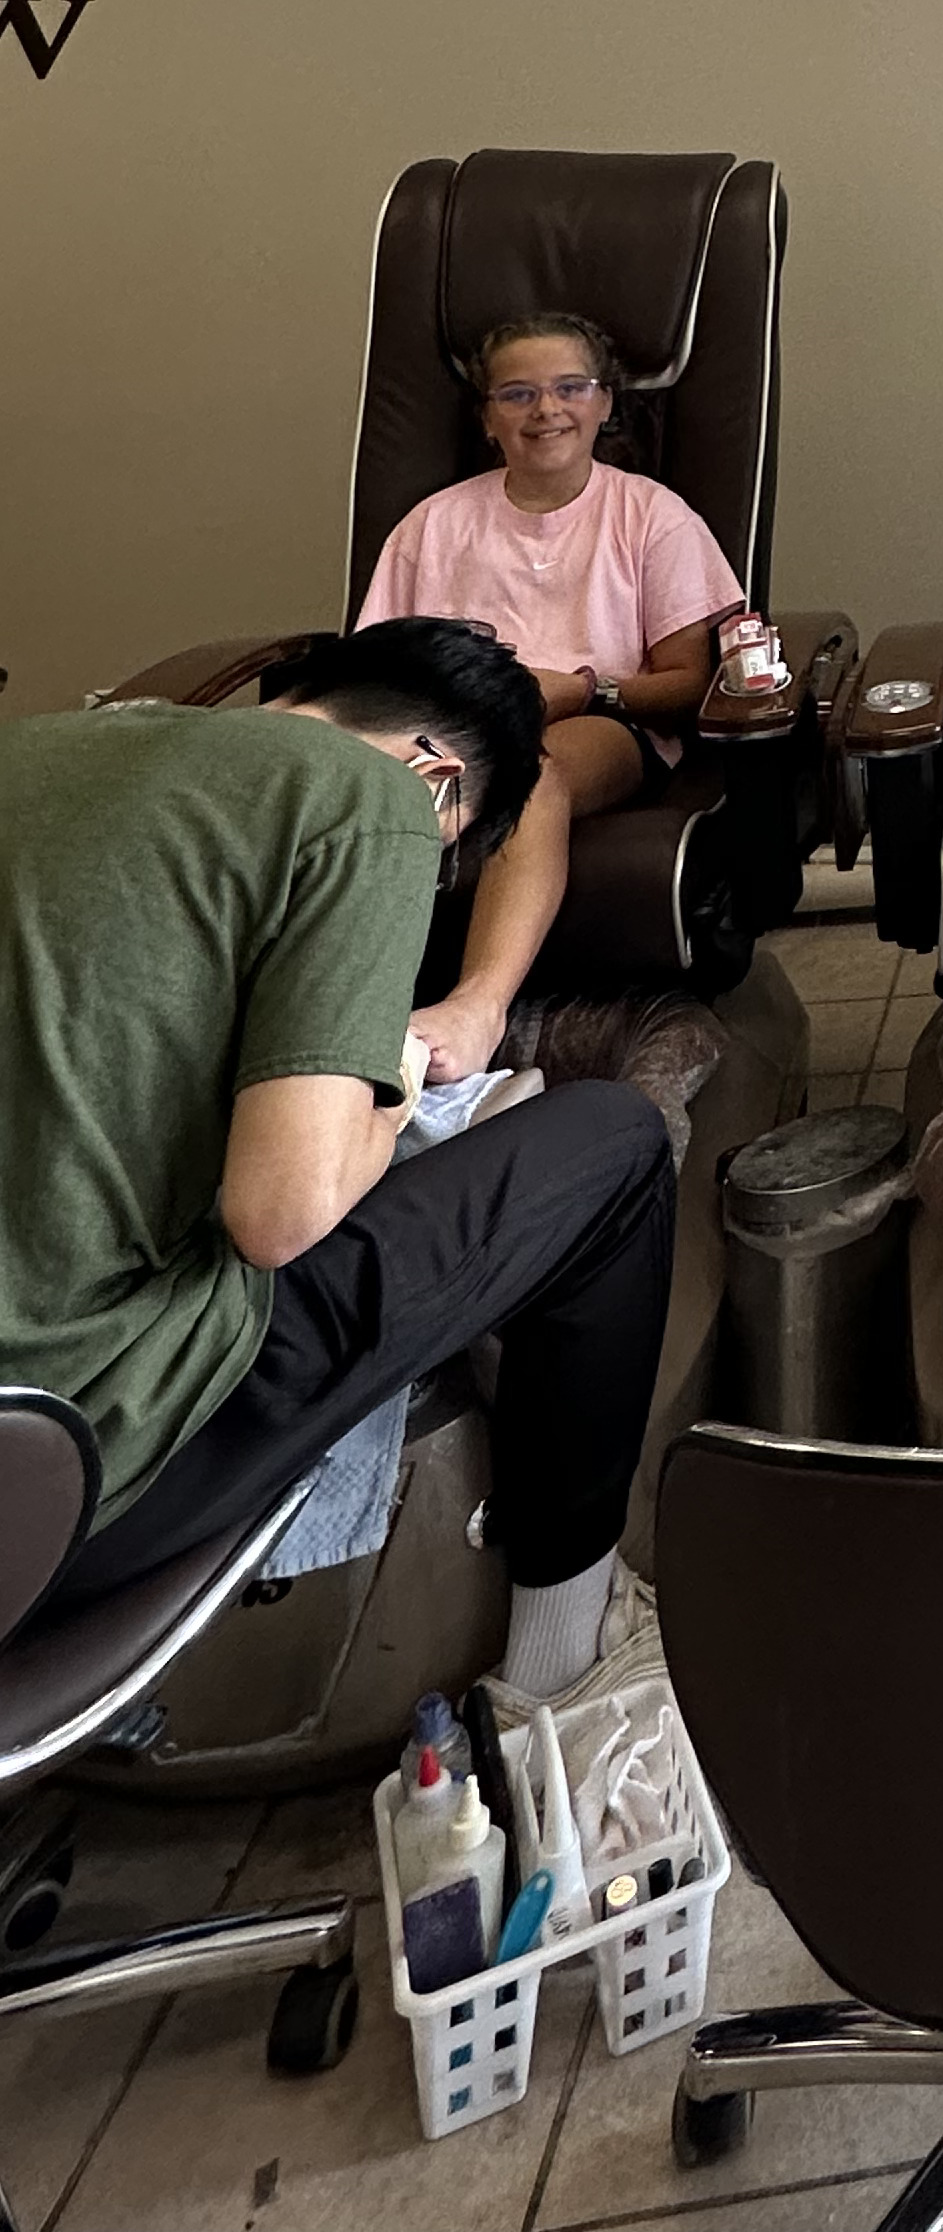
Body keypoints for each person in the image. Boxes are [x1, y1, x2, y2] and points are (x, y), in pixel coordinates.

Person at [3, 621, 675, 1715]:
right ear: (437, 775)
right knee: (613, 1147)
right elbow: (283, 1213)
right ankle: (567, 1654)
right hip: (61, 1476)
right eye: (451, 843)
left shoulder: (35, 750)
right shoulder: (371, 799)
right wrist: (393, 1074)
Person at [356, 311, 744, 1081]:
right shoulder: (433, 527)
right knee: (371, 785)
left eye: (571, 388)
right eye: (518, 394)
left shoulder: (651, 517)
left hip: (598, 722)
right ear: (487, 417)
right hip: (448, 729)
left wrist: (578, 688)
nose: (547, 411)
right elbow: (383, 668)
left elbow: (686, 685)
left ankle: (478, 1004)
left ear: (605, 403)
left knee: (528, 771)